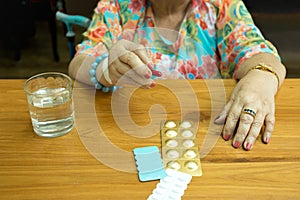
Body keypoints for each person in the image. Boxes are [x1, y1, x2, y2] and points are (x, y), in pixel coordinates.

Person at [68, 0, 286, 151]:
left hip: (207, 137)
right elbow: (79, 62)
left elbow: (257, 51)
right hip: (127, 133)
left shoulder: (222, 5)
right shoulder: (116, 5)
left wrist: (261, 77)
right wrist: (104, 69)